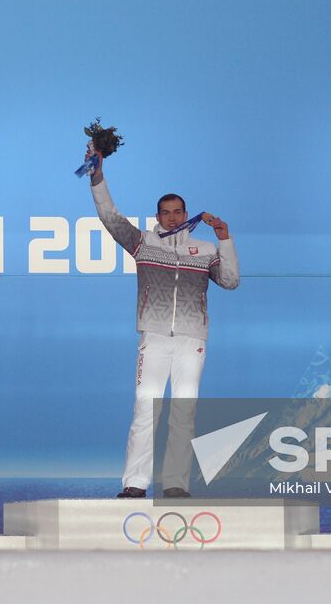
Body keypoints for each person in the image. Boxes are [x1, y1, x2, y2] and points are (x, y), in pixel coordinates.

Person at [86, 145, 239, 498]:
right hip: (154, 338)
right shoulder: (142, 243)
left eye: (177, 211)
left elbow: (230, 281)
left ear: (187, 213)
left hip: (191, 340)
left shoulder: (204, 250)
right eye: (165, 213)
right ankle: (135, 483)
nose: (172, 217)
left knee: (183, 411)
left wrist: (225, 240)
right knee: (146, 409)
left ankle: (175, 483)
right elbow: (109, 216)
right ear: (157, 216)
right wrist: (97, 175)